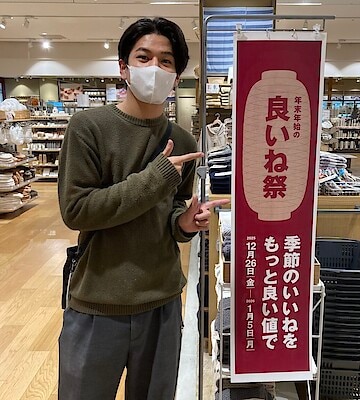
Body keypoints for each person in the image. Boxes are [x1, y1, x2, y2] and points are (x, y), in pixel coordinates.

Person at [57, 17, 229, 400]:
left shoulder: (182, 140)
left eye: (166, 61)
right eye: (144, 57)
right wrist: (157, 177)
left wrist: (185, 223)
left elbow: (171, 213)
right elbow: (77, 210)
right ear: (124, 67)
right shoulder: (88, 127)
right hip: (97, 301)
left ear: (176, 76)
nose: (155, 68)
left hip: (161, 302)